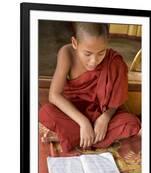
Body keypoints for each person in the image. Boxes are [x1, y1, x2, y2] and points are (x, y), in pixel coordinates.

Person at [39, 22, 141, 154]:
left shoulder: (114, 61)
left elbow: (116, 100)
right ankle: (88, 137)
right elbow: (54, 95)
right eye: (88, 54)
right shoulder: (67, 53)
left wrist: (105, 118)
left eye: (101, 53)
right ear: (75, 43)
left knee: (131, 122)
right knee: (46, 112)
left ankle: (69, 137)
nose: (94, 61)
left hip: (100, 113)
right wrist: (84, 122)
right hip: (73, 113)